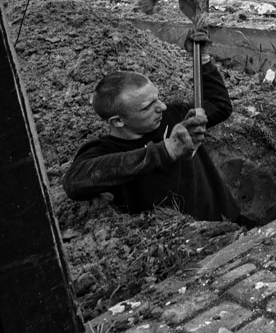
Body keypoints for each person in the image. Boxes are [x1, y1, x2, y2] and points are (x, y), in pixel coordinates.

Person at [63, 28, 246, 225]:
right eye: (147, 107)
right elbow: (74, 182)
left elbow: (219, 106)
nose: (162, 107)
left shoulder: (173, 117)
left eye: (157, 99)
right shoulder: (105, 151)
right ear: (117, 121)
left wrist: (201, 60)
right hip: (187, 245)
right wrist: (167, 150)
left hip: (226, 223)